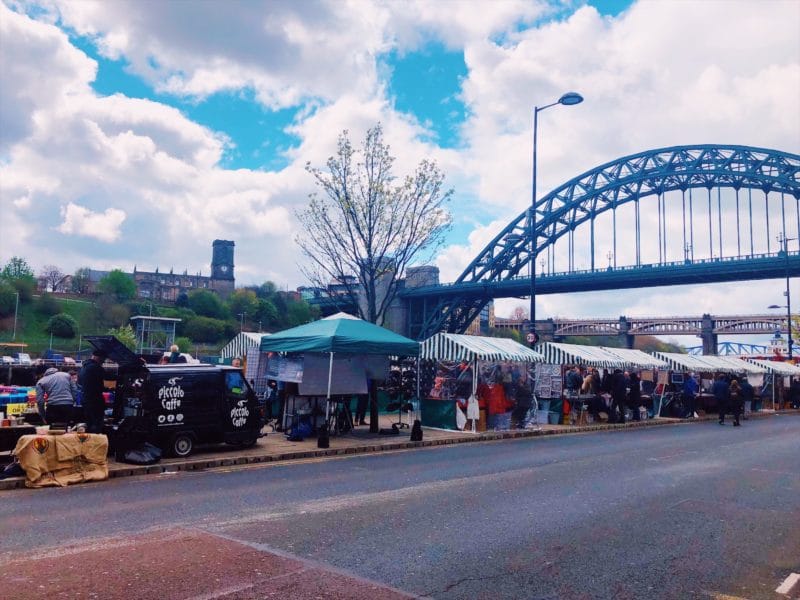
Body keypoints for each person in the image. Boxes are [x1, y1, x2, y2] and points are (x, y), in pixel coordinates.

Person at [79, 349, 108, 434]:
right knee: (97, 423)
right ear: (98, 357)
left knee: (89, 423)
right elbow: (107, 376)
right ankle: (97, 440)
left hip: (85, 399)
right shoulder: (95, 367)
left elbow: (80, 382)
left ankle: (89, 439)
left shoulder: (84, 367)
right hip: (95, 400)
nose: (103, 362)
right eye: (103, 359)